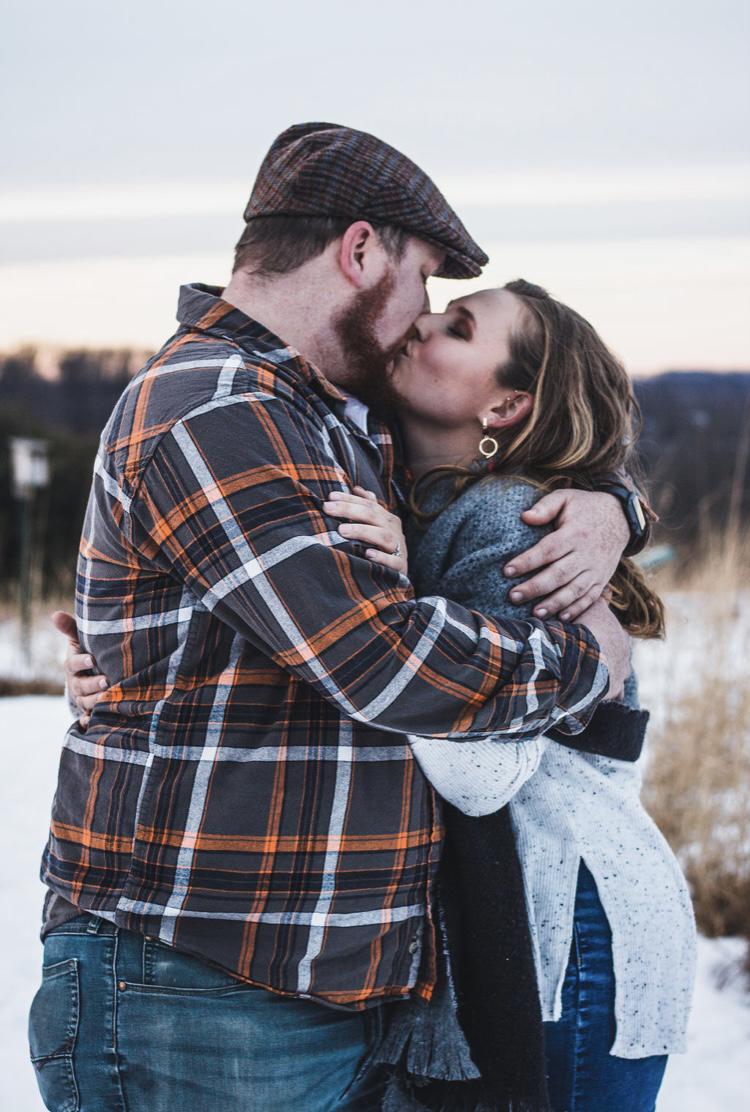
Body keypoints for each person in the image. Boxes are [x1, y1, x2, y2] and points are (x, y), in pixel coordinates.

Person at [31, 123, 642, 1112]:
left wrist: (612, 505)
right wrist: (583, 661)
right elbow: (377, 659)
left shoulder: (333, 415)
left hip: (315, 983)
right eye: (426, 281)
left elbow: (515, 454)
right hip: (201, 983)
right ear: (360, 252)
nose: (422, 316)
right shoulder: (222, 407)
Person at [321, 281, 696, 1111]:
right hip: (534, 917)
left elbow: (481, 772)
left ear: (505, 407)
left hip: (565, 925)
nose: (422, 321)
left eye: (457, 328)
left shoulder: (509, 521)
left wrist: (393, 606)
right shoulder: (433, 503)